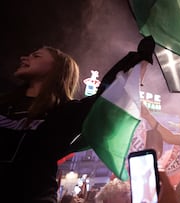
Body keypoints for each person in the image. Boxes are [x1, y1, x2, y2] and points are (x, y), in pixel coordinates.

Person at [0, 36, 155, 202]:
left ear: (57, 69)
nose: (24, 58)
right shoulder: (3, 104)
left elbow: (105, 98)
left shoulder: (63, 113)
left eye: (36, 56)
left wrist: (138, 61)